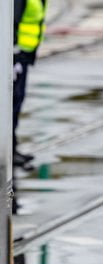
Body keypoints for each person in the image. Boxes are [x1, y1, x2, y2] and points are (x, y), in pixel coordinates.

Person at [13, 0, 47, 170]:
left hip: (23, 53)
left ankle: (11, 148)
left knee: (16, 101)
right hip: (16, 54)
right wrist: (13, 51)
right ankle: (8, 150)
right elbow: (12, 20)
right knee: (13, 101)